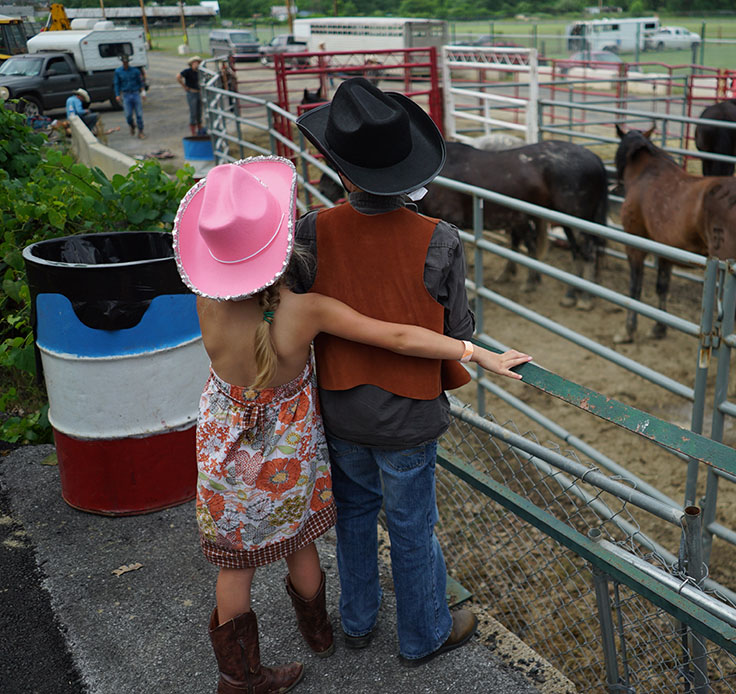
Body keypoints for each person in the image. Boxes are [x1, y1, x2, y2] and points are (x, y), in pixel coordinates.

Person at [173, 155, 531, 692]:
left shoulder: (207, 302)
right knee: (329, 536)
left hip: (235, 445)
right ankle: (347, 635)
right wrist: (473, 353)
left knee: (246, 560)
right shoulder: (306, 311)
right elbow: (399, 337)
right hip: (301, 449)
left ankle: (261, 665)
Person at [293, 77, 486, 666]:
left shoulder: (312, 231)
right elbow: (457, 330)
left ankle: (356, 620)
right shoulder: (440, 239)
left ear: (343, 172)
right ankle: (424, 633)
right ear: (406, 172)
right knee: (411, 526)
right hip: (408, 414)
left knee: (352, 514)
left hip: (341, 409)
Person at [113, 54, 145, 138]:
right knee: (128, 115)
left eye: (126, 62)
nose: (125, 63)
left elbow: (140, 82)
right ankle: (132, 124)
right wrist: (117, 94)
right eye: (124, 62)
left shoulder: (135, 71)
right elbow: (117, 84)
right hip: (126, 94)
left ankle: (141, 131)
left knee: (139, 114)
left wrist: (143, 92)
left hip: (135, 93)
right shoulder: (118, 71)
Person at [177, 55, 203, 135]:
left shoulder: (200, 72)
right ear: (191, 64)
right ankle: (193, 130)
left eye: (197, 63)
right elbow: (178, 77)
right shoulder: (187, 71)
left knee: (199, 111)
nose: (196, 64)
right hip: (192, 92)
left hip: (199, 92)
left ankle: (199, 128)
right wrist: (184, 86)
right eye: (195, 63)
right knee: (193, 111)